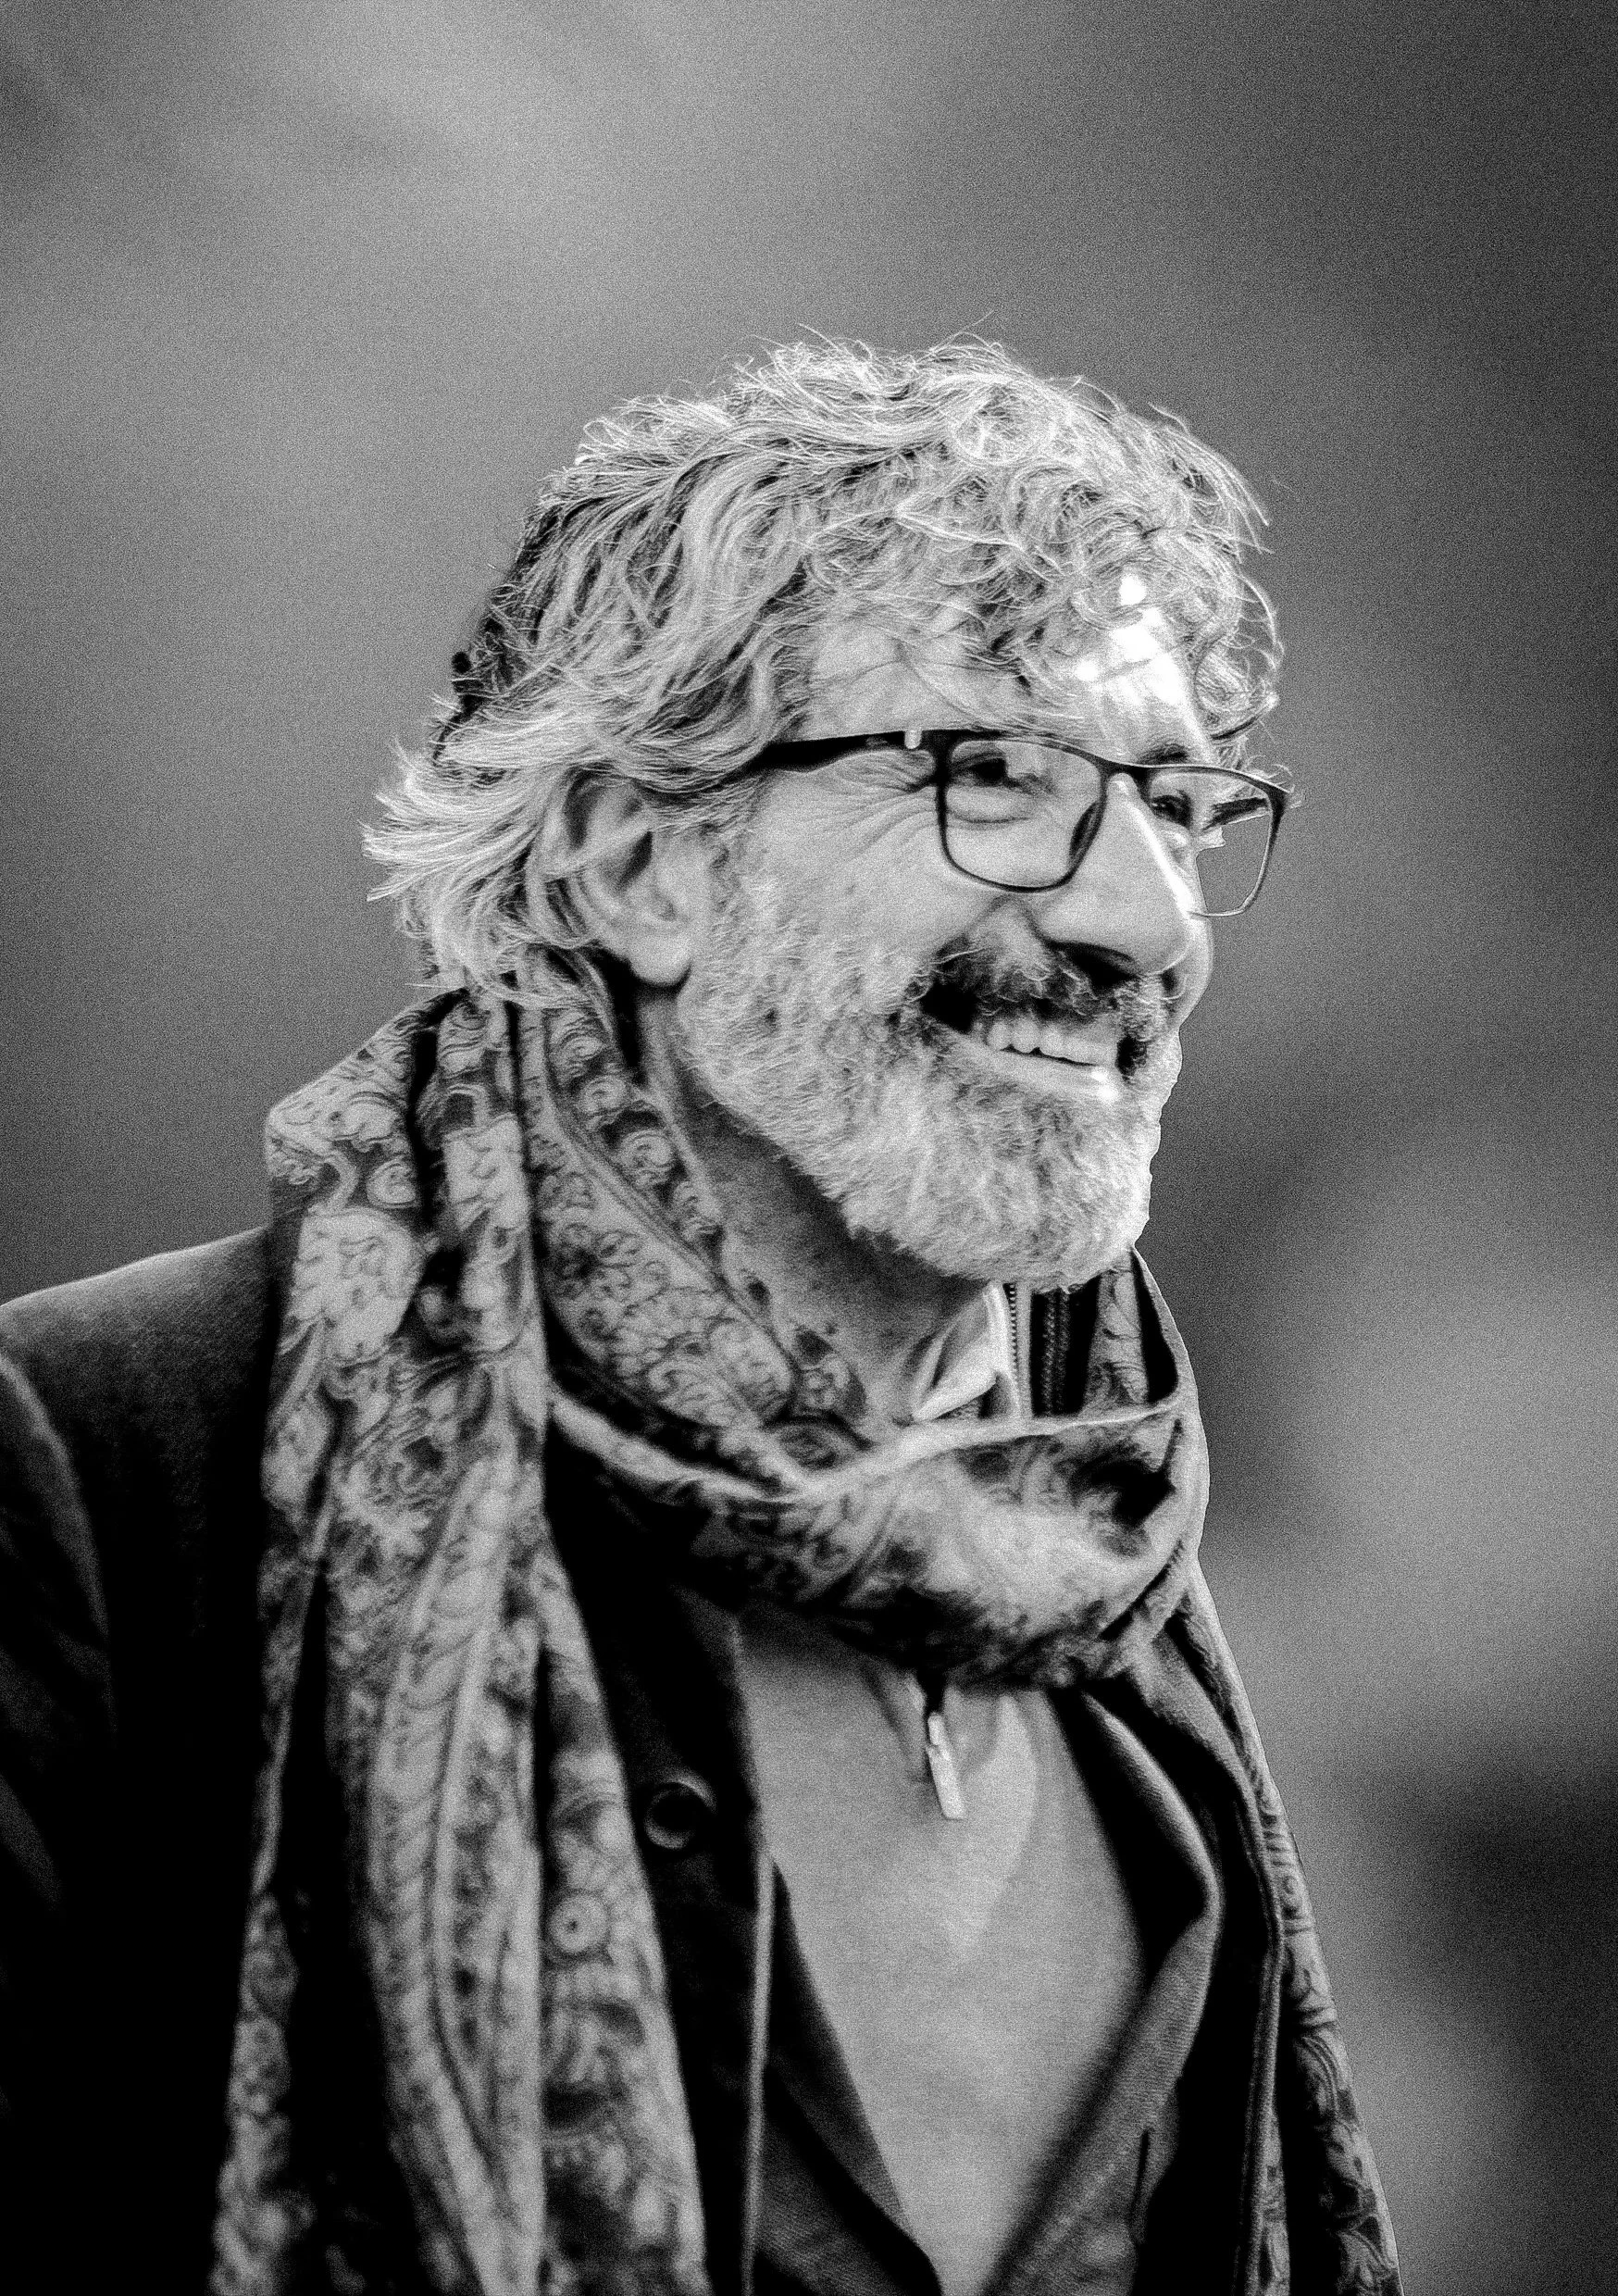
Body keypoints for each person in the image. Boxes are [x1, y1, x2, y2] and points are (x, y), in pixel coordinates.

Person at [0, 341, 1400, 2296]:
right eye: (992, 777)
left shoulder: (1109, 1539)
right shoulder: (103, 1454)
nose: (1142, 921)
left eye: (1175, 804)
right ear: (636, 861)